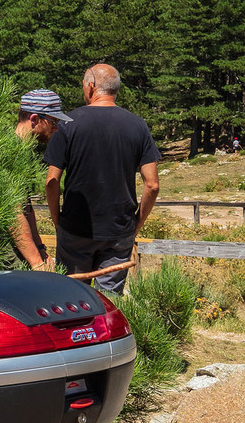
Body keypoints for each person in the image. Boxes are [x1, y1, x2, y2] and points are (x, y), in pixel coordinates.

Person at [43, 63, 160, 294]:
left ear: (91, 86)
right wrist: (137, 223)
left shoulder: (67, 124)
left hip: (75, 229)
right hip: (119, 230)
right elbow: (152, 184)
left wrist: (57, 221)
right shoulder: (138, 125)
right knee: (109, 302)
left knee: (72, 299)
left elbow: (52, 181)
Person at [9, 88, 71, 269]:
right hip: (6, 257)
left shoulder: (23, 152)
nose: (57, 128)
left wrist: (41, 249)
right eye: (53, 121)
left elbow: (26, 208)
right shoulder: (10, 152)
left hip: (21, 253)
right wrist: (36, 263)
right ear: (34, 119)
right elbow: (13, 213)